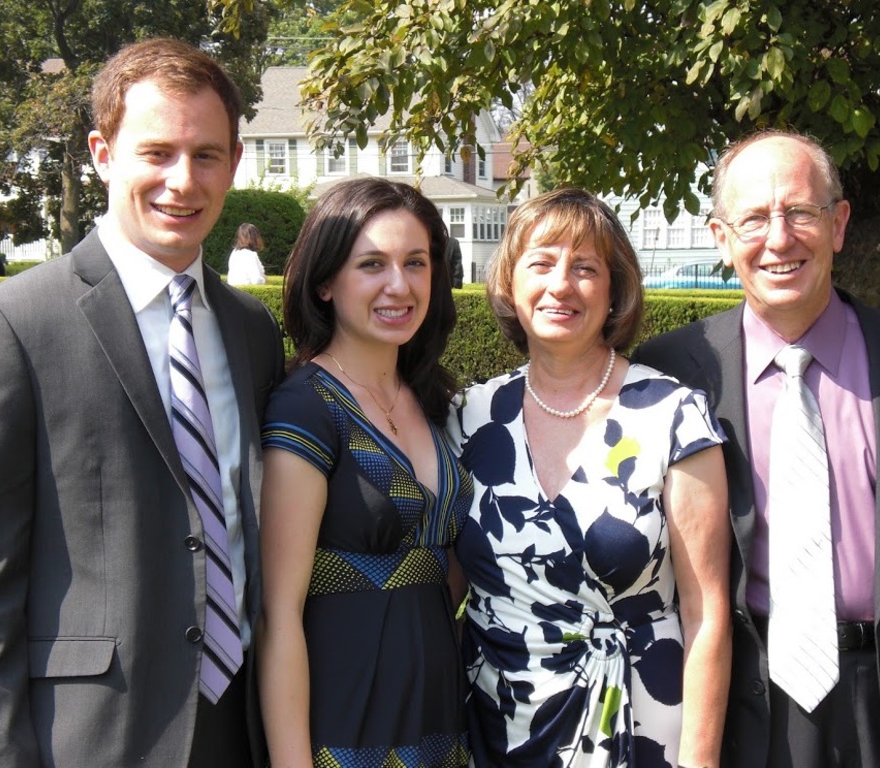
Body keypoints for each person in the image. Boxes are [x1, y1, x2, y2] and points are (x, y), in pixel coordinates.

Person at [0, 38, 285, 768]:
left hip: (238, 730)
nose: (182, 181)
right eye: (156, 152)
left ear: (234, 164)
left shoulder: (251, 332)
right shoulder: (14, 325)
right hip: (89, 738)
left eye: (206, 155)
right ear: (102, 153)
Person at [633, 130, 880, 768]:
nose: (778, 238)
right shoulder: (666, 374)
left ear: (838, 224)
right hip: (740, 713)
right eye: (753, 219)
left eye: (800, 212)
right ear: (721, 240)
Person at [448, 187, 731, 767]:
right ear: (509, 282)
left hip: (639, 722)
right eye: (542, 263)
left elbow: (708, 614)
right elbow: (444, 586)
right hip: (493, 727)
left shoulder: (672, 415)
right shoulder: (469, 417)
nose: (561, 284)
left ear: (613, 289)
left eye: (585, 268)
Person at [258, 177, 472, 766]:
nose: (399, 285)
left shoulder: (435, 401)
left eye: (416, 263)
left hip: (439, 711)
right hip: (345, 717)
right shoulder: (307, 406)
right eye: (372, 264)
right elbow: (280, 614)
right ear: (325, 281)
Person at [227, 222, 267, 286]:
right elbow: (257, 280)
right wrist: (264, 280)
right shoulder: (251, 255)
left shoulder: (234, 253)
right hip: (246, 293)